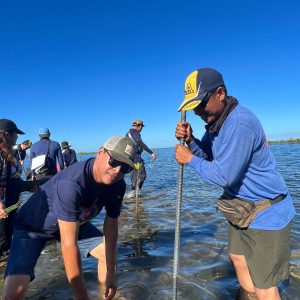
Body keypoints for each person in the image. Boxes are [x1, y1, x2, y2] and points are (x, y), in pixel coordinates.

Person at [175, 68, 295, 300]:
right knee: (238, 258)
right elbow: (209, 155)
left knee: (265, 284)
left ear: (220, 93)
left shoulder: (239, 123)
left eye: (201, 104)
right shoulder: (218, 122)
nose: (198, 112)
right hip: (242, 209)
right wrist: (191, 141)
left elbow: (223, 176)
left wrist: (189, 159)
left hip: (267, 212)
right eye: (193, 107)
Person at [2, 136, 136, 300]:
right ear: (100, 151)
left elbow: (112, 224)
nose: (117, 171)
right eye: (114, 162)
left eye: (125, 168)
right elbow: (68, 245)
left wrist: (111, 271)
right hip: (32, 226)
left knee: (108, 256)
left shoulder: (118, 185)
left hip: (74, 221)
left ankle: (107, 295)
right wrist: (82, 296)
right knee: (13, 294)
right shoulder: (71, 183)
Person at [0, 119, 25, 259]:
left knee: (7, 241)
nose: (17, 137)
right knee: (2, 242)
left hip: (10, 206)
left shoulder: (9, 154)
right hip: (2, 209)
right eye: (16, 134)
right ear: (7, 135)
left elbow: (13, 180)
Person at [126, 119, 157, 191]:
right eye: (142, 127)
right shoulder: (135, 132)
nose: (141, 129)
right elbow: (140, 142)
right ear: (139, 126)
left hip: (130, 159)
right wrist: (151, 153)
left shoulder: (128, 133)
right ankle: (136, 192)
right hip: (136, 159)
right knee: (142, 176)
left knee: (134, 178)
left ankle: (132, 195)